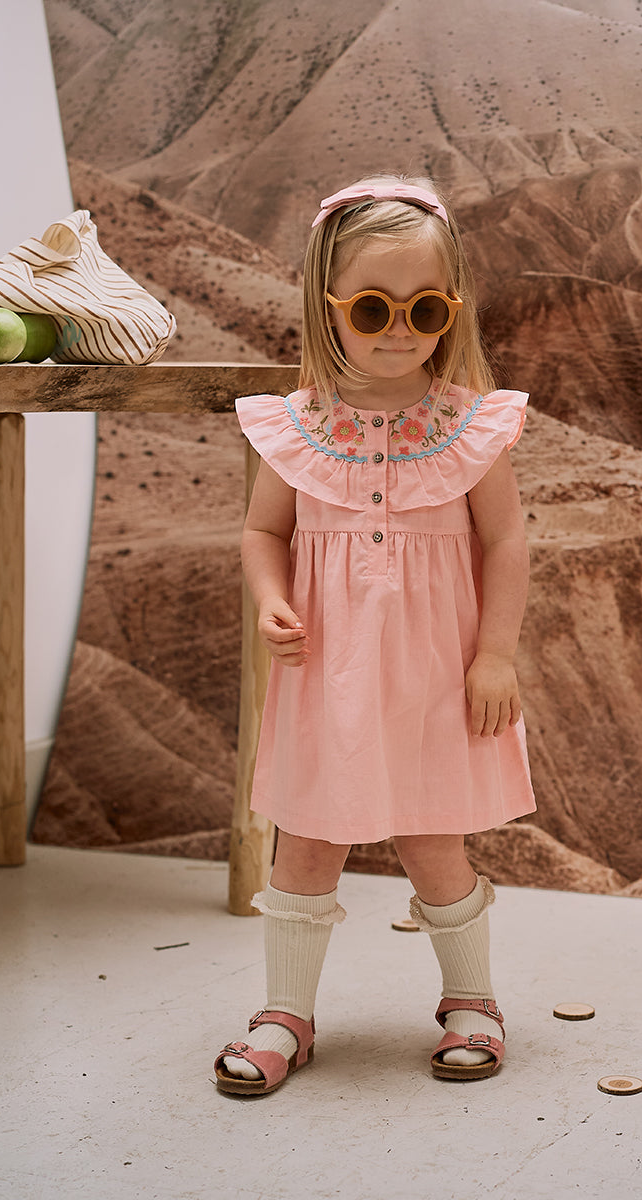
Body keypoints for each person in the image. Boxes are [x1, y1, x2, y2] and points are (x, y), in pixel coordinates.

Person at [214, 175, 535, 1095]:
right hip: (329, 671)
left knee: (434, 841)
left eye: (424, 308)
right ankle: (284, 1014)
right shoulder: (300, 426)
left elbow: (505, 540)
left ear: (451, 309)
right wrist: (270, 597)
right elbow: (263, 531)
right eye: (372, 309)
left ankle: (472, 1001)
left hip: (436, 674)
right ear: (330, 306)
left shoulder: (468, 425)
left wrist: (495, 654)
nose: (400, 330)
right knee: (306, 843)